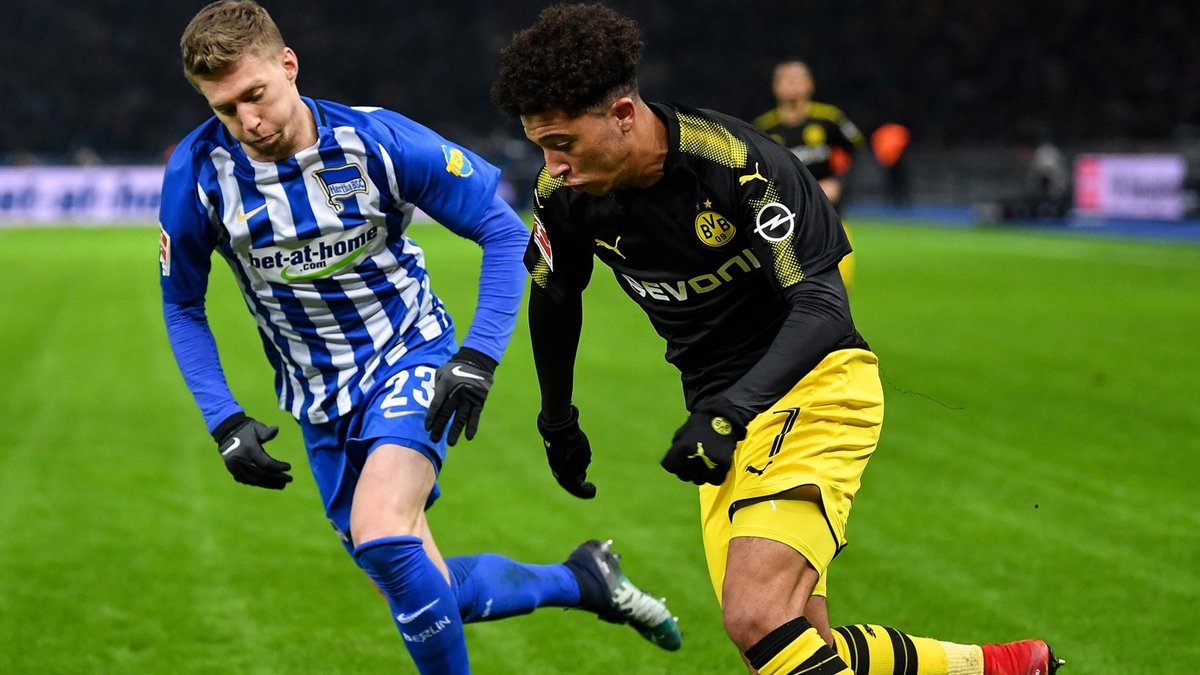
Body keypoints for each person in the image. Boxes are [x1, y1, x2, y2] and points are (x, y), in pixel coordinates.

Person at [491, 5, 1065, 675]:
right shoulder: (563, 196)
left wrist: (729, 411)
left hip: (814, 387)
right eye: (541, 146)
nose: (553, 165)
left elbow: (823, 304)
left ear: (622, 115)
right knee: (786, 642)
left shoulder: (738, 163)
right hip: (724, 412)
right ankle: (996, 667)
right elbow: (556, 296)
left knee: (756, 614)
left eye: (563, 142)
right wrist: (557, 419)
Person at [158, 2, 680, 673]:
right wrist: (224, 418)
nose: (247, 121)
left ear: (288, 66)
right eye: (225, 108)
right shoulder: (198, 175)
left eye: (255, 94)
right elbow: (182, 305)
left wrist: (477, 357)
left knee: (382, 531)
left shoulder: (377, 140)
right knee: (416, 585)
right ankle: (585, 580)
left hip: (409, 356)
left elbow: (503, 231)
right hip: (318, 399)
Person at [755, 60, 864, 290]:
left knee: (839, 289)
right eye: (787, 80)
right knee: (791, 294)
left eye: (798, 79)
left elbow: (859, 153)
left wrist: (838, 183)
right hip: (785, 227)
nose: (793, 85)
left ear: (810, 84)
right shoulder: (763, 129)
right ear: (776, 87)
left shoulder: (829, 118)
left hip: (829, 220)